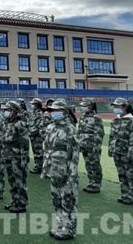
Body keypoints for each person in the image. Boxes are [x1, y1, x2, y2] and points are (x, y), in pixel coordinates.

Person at [42, 100, 79, 240]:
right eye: (51, 110)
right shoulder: (50, 127)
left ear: (64, 111)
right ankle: (60, 226)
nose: (53, 113)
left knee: (68, 201)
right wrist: (45, 169)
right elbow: (47, 149)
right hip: (54, 170)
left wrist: (72, 175)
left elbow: (74, 154)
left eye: (56, 110)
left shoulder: (70, 129)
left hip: (66, 171)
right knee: (56, 200)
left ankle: (69, 229)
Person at [109, 97, 133, 205]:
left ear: (125, 107)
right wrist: (111, 148)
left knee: (131, 174)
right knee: (121, 174)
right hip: (117, 152)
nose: (116, 108)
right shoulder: (115, 120)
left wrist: (131, 153)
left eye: (118, 106)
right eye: (115, 106)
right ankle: (125, 194)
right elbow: (112, 136)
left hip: (127, 153)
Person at [1, 101, 29, 213]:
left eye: (8, 110)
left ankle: (21, 203)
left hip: (17, 158)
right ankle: (15, 201)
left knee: (19, 181)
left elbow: (25, 144)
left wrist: (24, 160)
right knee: (12, 180)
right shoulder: (7, 123)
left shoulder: (20, 124)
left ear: (15, 111)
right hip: (8, 156)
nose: (5, 112)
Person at [78, 99, 104, 193]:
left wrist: (96, 147)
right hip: (84, 146)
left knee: (95, 165)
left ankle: (96, 184)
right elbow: (80, 132)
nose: (82, 107)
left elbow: (99, 134)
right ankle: (91, 182)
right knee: (88, 164)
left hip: (92, 146)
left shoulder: (96, 118)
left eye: (84, 105)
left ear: (90, 106)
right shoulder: (82, 118)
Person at [28, 98, 46, 174]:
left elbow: (39, 125)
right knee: (35, 151)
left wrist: (32, 131)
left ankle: (40, 167)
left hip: (37, 135)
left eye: (34, 104)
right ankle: (37, 166)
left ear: (38, 105)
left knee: (39, 152)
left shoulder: (40, 113)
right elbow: (30, 122)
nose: (32, 105)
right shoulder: (32, 112)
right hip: (32, 135)